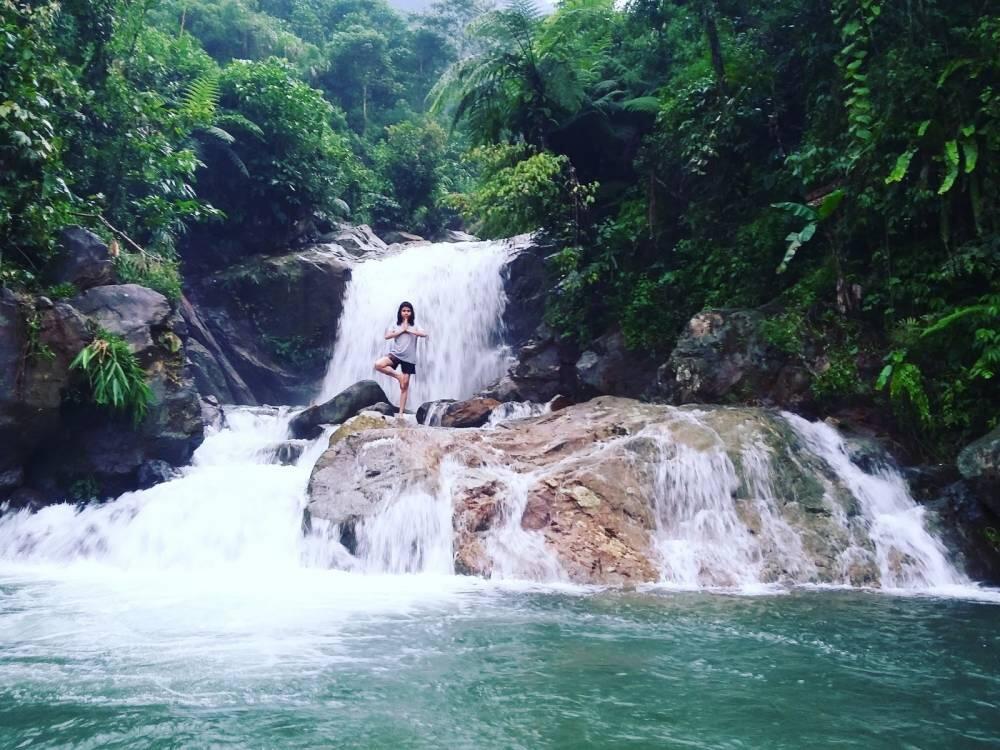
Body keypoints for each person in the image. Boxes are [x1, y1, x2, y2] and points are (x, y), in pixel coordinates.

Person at [373, 301, 427, 416]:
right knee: (378, 364)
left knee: (404, 386)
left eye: (408, 311)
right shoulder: (395, 325)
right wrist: (401, 330)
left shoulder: (415, 325)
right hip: (396, 354)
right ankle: (398, 376)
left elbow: (424, 334)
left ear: (411, 312)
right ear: (400, 312)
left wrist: (409, 330)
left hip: (409, 359)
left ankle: (401, 414)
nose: (406, 313)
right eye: (404, 311)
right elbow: (387, 336)